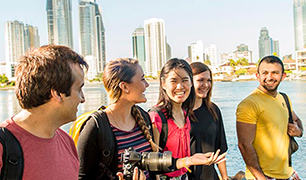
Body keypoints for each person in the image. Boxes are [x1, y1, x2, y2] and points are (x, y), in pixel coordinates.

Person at [78, 58, 226, 180]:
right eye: (142, 79)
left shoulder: (142, 118)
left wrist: (189, 160)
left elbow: (152, 162)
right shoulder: (96, 127)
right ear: (125, 87)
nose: (147, 84)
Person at [0, 45, 88, 179]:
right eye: (79, 89)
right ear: (57, 93)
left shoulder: (67, 142)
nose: (83, 99)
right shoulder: (3, 147)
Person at [149, 58, 227, 180]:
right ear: (163, 83)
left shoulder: (185, 113)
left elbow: (220, 148)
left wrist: (225, 176)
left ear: (189, 83)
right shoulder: (157, 116)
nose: (180, 86)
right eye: (173, 81)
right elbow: (151, 162)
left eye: (185, 80)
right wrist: (188, 160)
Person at [236, 55, 303, 180]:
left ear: (283, 76)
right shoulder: (249, 104)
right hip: (264, 176)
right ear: (258, 76)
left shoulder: (284, 98)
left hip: (287, 173)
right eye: (265, 73)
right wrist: (261, 178)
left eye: (275, 73)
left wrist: (299, 131)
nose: (270, 77)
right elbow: (244, 145)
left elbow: (297, 120)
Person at [189, 62, 228, 180]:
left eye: (209, 80)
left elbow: (220, 151)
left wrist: (225, 177)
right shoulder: (179, 113)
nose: (206, 85)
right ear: (188, 82)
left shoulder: (214, 110)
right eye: (201, 80)